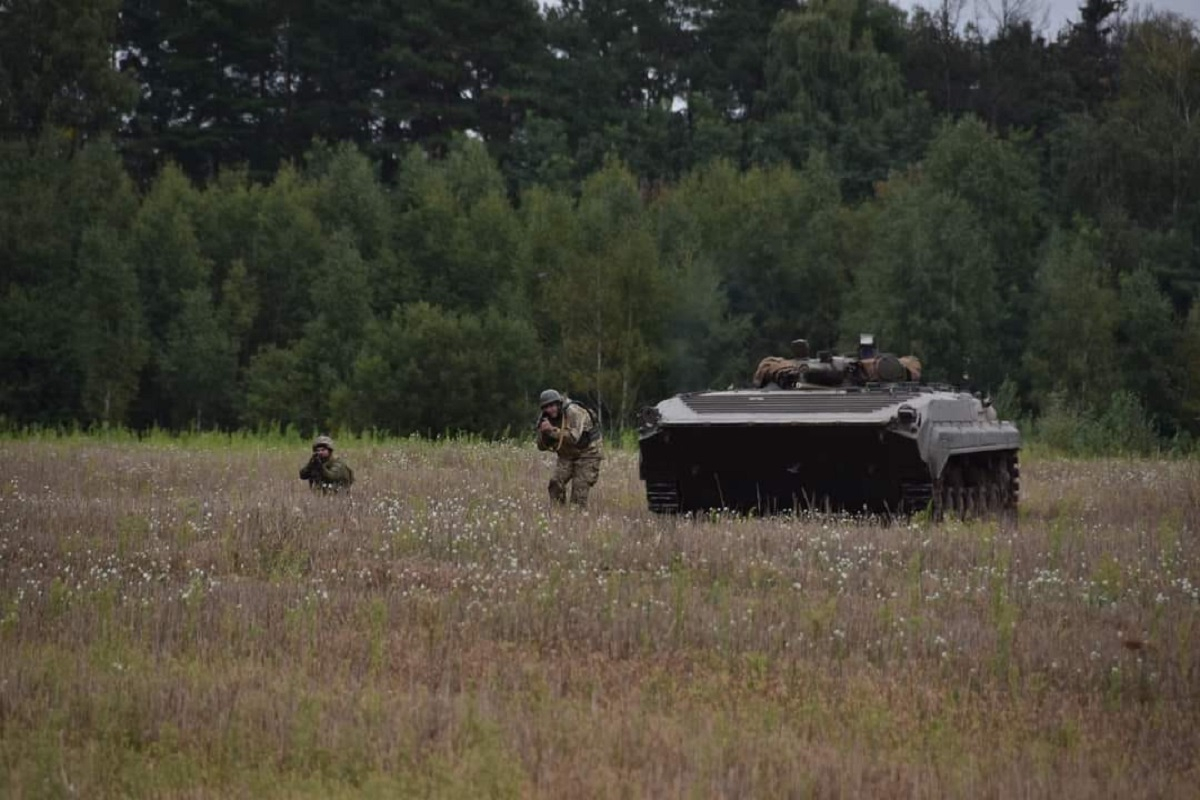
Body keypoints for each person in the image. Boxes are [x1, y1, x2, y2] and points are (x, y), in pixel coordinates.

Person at [536, 389, 602, 508]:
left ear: (558, 403)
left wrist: (552, 430)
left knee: (579, 492)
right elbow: (541, 446)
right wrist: (544, 433)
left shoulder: (573, 411)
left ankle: (577, 521)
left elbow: (573, 437)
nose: (550, 410)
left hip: (588, 454)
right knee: (555, 483)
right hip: (567, 454)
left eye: (552, 405)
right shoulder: (545, 418)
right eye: (546, 407)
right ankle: (559, 516)